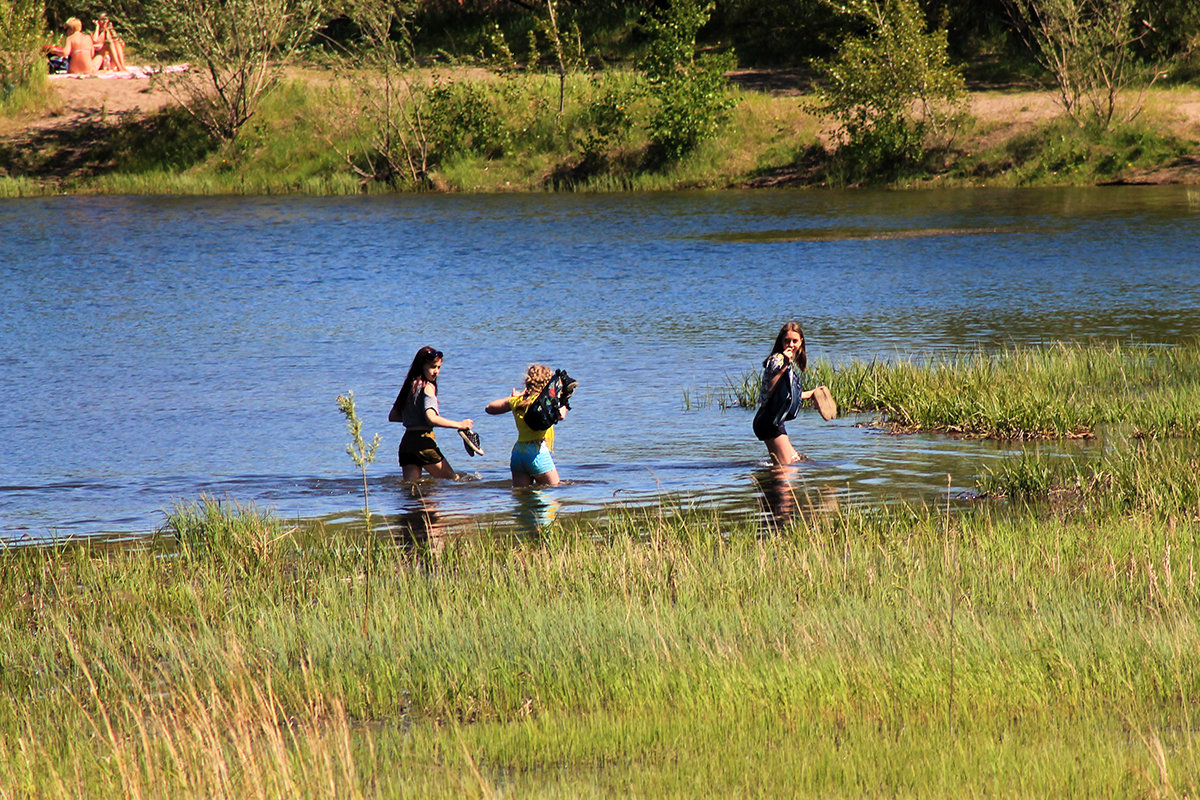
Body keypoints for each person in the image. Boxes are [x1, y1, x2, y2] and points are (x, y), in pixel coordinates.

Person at [388, 346, 474, 482]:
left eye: (439, 367)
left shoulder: (409, 386)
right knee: (456, 481)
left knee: (413, 490)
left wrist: (414, 417)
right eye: (433, 367)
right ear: (421, 366)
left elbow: (393, 416)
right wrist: (460, 424)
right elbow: (431, 418)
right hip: (424, 444)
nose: (436, 372)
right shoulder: (428, 387)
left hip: (406, 445)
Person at [752, 322, 828, 465]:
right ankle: (775, 485)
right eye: (787, 341)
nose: (790, 344)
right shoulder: (778, 359)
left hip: (771, 419)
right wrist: (785, 364)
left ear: (801, 342)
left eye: (794, 341)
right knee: (787, 468)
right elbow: (770, 388)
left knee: (794, 460)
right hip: (770, 420)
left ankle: (768, 484)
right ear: (781, 342)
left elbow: (785, 394)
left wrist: (812, 394)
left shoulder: (787, 363)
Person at [485, 364, 569, 487]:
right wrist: (563, 400)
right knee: (553, 495)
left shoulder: (518, 401)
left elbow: (489, 408)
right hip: (537, 453)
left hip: (518, 454)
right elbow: (561, 415)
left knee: (522, 499)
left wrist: (513, 398)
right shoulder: (547, 404)